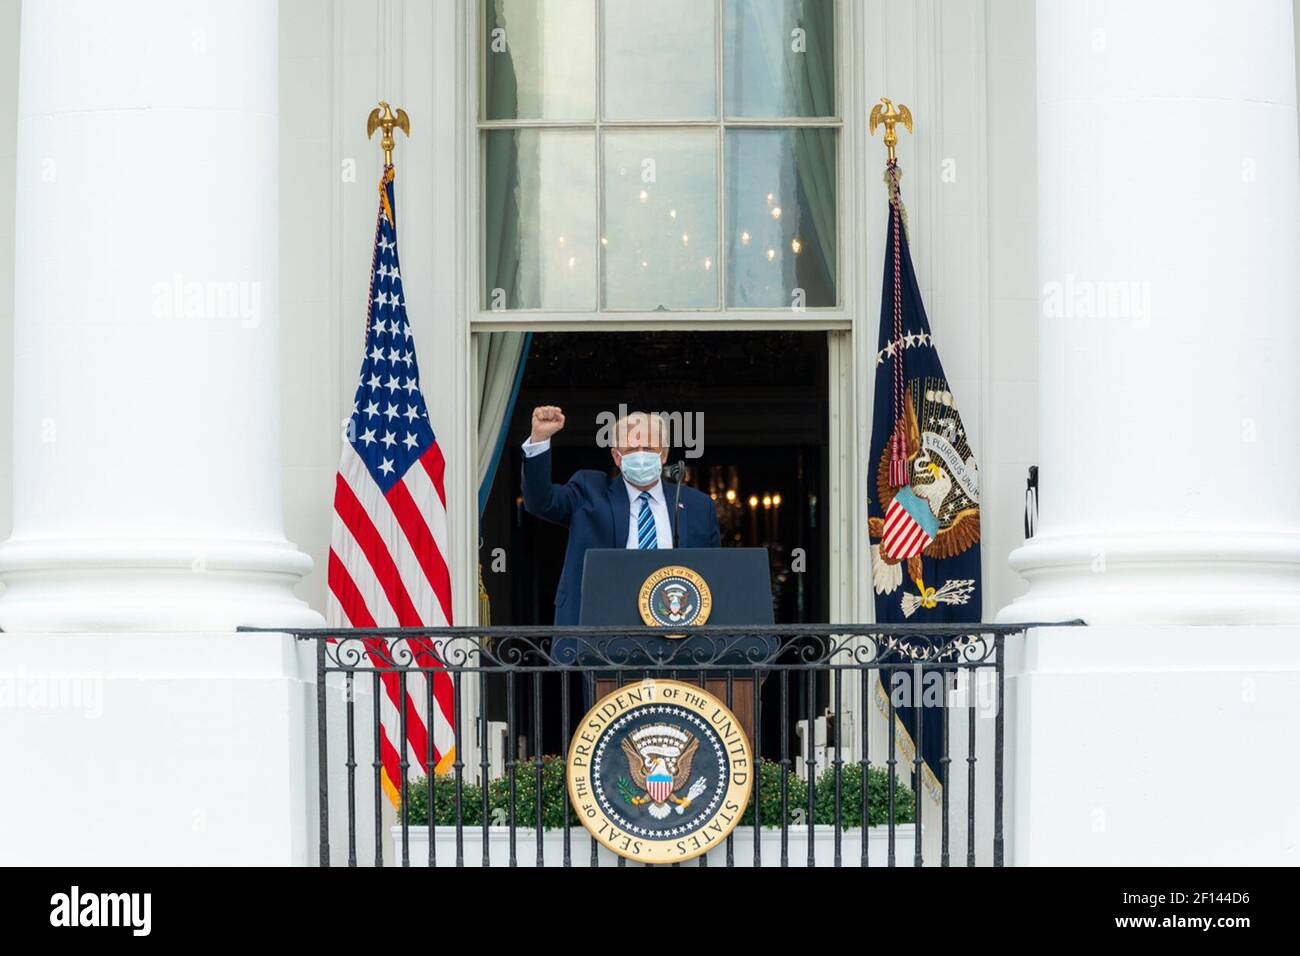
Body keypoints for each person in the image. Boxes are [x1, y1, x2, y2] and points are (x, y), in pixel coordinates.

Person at [520, 406, 720, 656]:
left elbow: (715, 575)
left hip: (679, 635)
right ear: (616, 457)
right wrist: (539, 439)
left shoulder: (698, 505)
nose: (640, 455)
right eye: (630, 449)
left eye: (648, 448)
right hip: (602, 638)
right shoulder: (589, 491)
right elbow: (541, 502)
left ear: (663, 454)